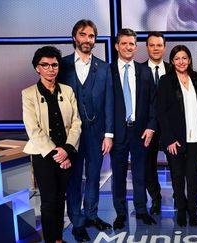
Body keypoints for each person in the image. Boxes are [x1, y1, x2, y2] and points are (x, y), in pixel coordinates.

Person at [58, 19, 114, 242]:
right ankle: (77, 221)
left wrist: (109, 134)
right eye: (83, 35)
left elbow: (109, 101)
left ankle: (91, 215)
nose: (87, 40)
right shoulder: (61, 66)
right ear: (74, 37)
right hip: (70, 135)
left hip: (96, 133)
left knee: (93, 176)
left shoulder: (104, 68)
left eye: (91, 36)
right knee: (73, 180)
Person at [22, 46, 82, 243]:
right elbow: (33, 129)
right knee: (48, 202)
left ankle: (58, 239)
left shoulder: (67, 90)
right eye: (45, 65)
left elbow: (76, 122)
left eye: (54, 65)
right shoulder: (29, 94)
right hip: (43, 156)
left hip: (66, 153)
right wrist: (55, 153)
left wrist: (66, 150)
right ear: (37, 68)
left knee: (60, 200)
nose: (50, 69)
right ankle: (51, 240)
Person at [109, 28, 157, 230]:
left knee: (140, 173)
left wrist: (151, 127)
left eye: (132, 44)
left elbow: (153, 102)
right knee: (118, 175)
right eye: (124, 43)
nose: (128, 47)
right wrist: (108, 133)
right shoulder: (107, 71)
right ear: (116, 46)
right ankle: (120, 213)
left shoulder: (145, 71)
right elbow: (105, 105)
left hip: (140, 132)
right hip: (117, 133)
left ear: (136, 47)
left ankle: (141, 210)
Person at [157, 45, 197, 227]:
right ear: (172, 61)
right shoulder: (165, 80)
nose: (181, 61)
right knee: (177, 175)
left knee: (192, 175)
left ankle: (192, 209)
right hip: (175, 139)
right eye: (177, 58)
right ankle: (181, 208)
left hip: (196, 136)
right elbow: (161, 112)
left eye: (184, 58)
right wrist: (169, 139)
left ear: (189, 60)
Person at [142, 31, 171, 215]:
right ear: (146, 47)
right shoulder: (138, 70)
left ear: (164, 47)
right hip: (147, 128)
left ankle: (180, 199)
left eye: (159, 45)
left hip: (171, 128)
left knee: (177, 166)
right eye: (151, 45)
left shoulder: (173, 69)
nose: (155, 48)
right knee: (148, 166)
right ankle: (156, 199)